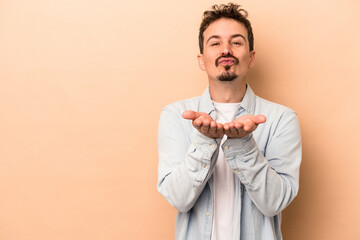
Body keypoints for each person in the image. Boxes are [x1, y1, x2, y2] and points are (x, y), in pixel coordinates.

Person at [157, 3, 302, 240]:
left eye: (236, 42)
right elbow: (178, 199)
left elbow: (276, 202)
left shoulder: (281, 119)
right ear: (202, 60)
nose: (226, 50)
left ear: (251, 57)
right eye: (215, 43)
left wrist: (244, 145)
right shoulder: (175, 115)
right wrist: (204, 142)